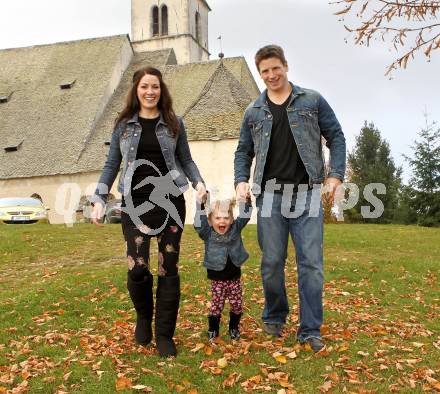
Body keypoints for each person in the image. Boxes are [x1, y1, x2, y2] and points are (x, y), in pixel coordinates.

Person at [234, 45, 346, 352]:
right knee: (271, 263)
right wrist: (241, 180)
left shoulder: (312, 100)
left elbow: (336, 136)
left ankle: (310, 329)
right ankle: (275, 315)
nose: (271, 75)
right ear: (260, 74)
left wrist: (335, 175)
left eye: (275, 68)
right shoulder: (253, 111)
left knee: (311, 264)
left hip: (307, 194)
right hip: (269, 196)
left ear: (286, 66)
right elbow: (243, 151)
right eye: (265, 71)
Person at [91, 66, 207, 358]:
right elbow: (111, 165)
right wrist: (99, 198)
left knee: (168, 267)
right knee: (138, 267)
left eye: (155, 86)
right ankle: (144, 317)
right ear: (136, 90)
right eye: (144, 87)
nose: (150, 92)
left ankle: (165, 334)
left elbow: (186, 160)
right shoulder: (123, 126)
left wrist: (199, 182)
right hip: (134, 203)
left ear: (161, 89)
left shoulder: (174, 124)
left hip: (170, 202)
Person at [194, 196, 252, 341]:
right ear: (210, 220)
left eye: (226, 218)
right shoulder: (208, 233)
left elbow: (245, 216)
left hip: (234, 278)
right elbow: (199, 224)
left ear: (231, 220)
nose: (222, 221)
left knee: (237, 305)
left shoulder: (235, 229)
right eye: (218, 218)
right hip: (217, 280)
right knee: (216, 306)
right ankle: (213, 330)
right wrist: (200, 206)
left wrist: (247, 202)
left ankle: (234, 328)